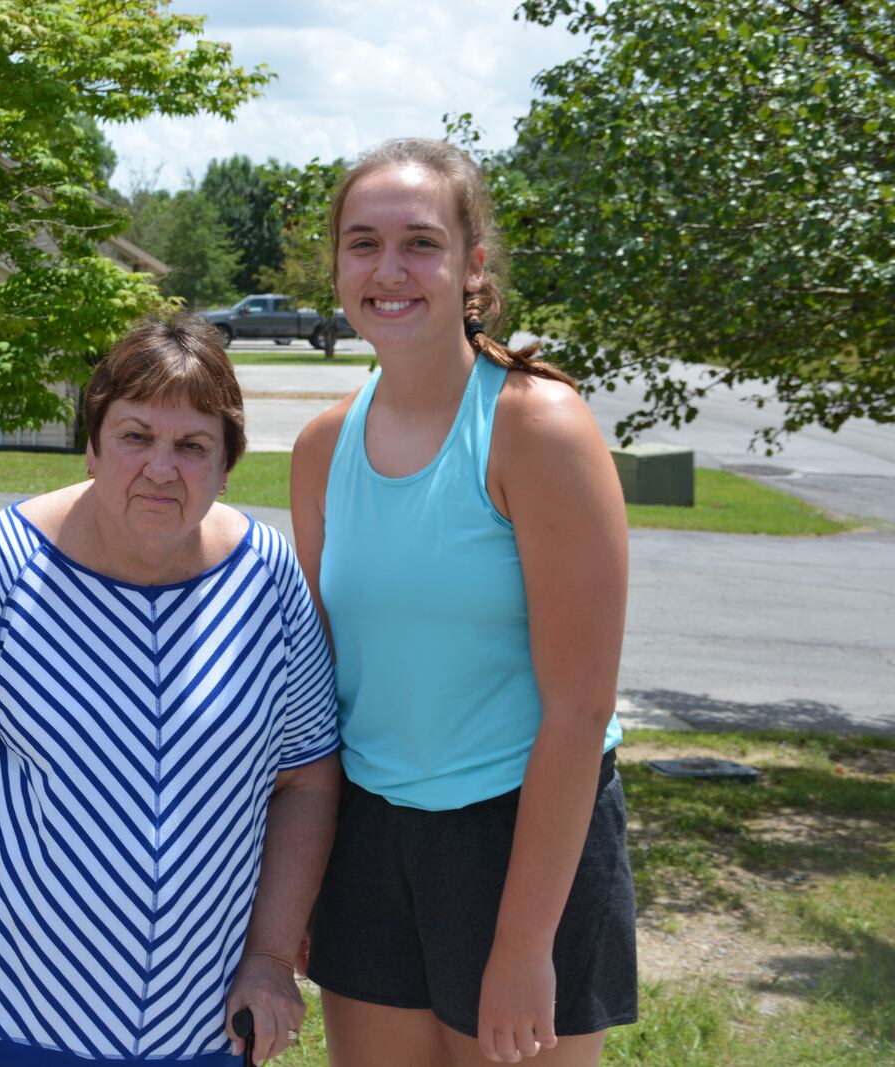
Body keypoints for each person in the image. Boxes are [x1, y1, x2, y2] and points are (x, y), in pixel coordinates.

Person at [0, 314, 341, 1067]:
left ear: (225, 465)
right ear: (91, 445)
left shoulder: (268, 579)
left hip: (199, 1025)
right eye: (135, 436)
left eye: (192, 446)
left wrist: (273, 955)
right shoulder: (1, 566)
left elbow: (308, 779)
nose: (161, 467)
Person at [292, 138, 638, 1066]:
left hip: (520, 834)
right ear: (336, 265)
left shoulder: (536, 426)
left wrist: (524, 944)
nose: (389, 269)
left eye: (421, 243)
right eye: (362, 244)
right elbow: (320, 694)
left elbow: (580, 706)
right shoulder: (323, 448)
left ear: (472, 264)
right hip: (370, 834)